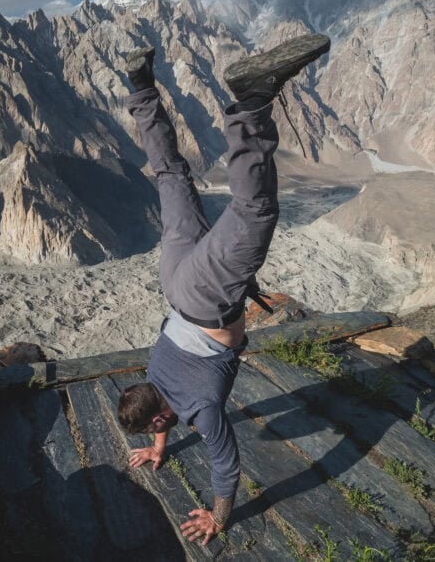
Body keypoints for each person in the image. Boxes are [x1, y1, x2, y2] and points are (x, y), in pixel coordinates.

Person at [115, 33, 331, 545]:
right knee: (171, 175)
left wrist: (219, 515)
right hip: (175, 279)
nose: (158, 430)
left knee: (254, 209)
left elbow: (225, 463)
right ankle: (141, 87)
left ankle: (250, 101)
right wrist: (159, 445)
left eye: (154, 430)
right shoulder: (154, 376)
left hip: (206, 299)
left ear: (160, 414)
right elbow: (159, 410)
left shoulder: (202, 409)